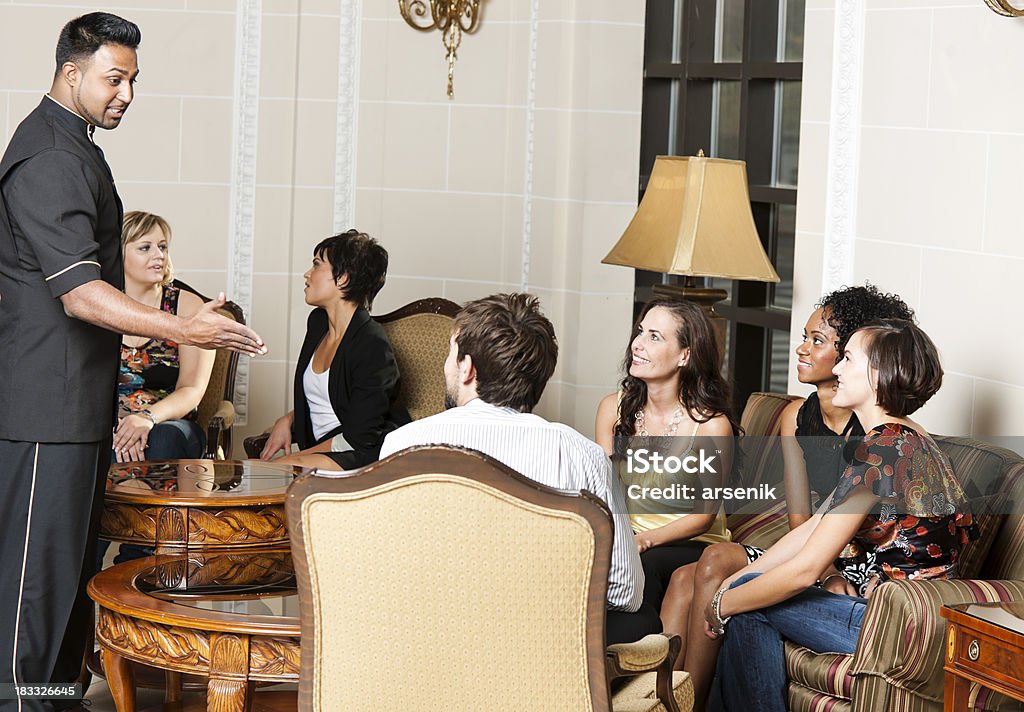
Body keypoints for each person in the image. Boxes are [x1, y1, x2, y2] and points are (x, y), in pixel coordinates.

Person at [0, 14, 265, 711]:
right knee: (33, 593)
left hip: (71, 411)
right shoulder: (50, 157)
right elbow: (82, 294)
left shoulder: (74, 148)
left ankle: (48, 701)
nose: (125, 94)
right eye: (114, 79)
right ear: (71, 73)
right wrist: (185, 324)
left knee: (63, 585)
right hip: (42, 412)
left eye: (132, 81)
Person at [661, 284, 915, 710]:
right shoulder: (813, 422)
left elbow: (821, 553)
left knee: (737, 597)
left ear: (862, 365)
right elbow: (808, 524)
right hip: (835, 562)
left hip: (875, 594)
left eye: (825, 344)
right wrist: (744, 586)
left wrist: (732, 599)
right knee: (705, 578)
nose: (802, 349)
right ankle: (675, 700)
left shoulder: (882, 438)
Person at [706, 320, 976, 712]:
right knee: (745, 590)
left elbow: (804, 569)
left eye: (848, 358)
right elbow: (812, 529)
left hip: (894, 629)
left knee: (748, 606)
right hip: (910, 622)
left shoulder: (883, 447)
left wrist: (723, 604)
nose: (836, 369)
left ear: (879, 375)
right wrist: (729, 584)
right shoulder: (901, 439)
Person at [380, 293, 654, 645]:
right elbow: (625, 591)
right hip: (536, 644)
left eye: (452, 355)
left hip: (425, 637)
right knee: (642, 619)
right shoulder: (582, 455)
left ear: (467, 368)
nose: (447, 367)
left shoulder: (402, 444)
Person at [594, 297, 738, 617]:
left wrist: (643, 540)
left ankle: (644, 655)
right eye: (640, 332)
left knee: (644, 564)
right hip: (630, 535)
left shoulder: (711, 426)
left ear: (685, 355)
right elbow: (607, 491)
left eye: (654, 337)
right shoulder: (612, 409)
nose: (638, 344)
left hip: (693, 541)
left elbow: (702, 517)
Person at [259, 230, 410, 470]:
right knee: (260, 471)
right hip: (326, 450)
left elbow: (359, 437)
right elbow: (327, 397)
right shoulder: (318, 323)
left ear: (343, 278)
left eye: (317, 264)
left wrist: (296, 458)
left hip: (363, 453)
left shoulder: (372, 346)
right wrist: (287, 419)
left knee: (268, 472)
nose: (307, 274)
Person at [113, 211, 215, 463]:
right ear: (118, 253)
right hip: (110, 423)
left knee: (162, 440)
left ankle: (162, 505)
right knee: (98, 442)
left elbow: (191, 389)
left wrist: (145, 418)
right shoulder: (101, 306)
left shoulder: (187, 307)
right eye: (145, 248)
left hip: (169, 423)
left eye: (162, 247)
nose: (159, 255)